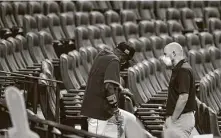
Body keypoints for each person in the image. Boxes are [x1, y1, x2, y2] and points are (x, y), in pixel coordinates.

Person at [81, 42, 154, 138]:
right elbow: (109, 87)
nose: (124, 63)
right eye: (126, 60)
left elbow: (105, 78)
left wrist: (120, 89)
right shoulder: (114, 60)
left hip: (105, 110)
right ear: (123, 56)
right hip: (98, 111)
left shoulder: (103, 54)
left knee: (129, 119)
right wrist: (116, 110)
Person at [161, 42, 196, 138]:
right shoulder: (180, 68)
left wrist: (172, 119)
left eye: (165, 54)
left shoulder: (182, 70)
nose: (163, 57)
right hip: (180, 118)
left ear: (173, 53)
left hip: (180, 119)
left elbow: (183, 97)